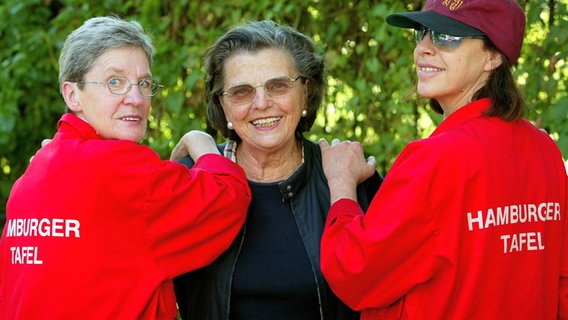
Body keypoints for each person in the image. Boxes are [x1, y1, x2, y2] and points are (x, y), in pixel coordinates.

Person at [318, 0, 568, 319]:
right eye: (422, 33)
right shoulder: (544, 150)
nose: (422, 48)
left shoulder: (435, 159)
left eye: (446, 36)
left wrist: (341, 184)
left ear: (493, 56)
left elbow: (353, 271)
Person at [0, 16, 251, 319]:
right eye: (114, 82)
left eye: (143, 83)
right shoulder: (120, 169)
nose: (136, 99)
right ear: (72, 95)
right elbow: (228, 201)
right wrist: (201, 144)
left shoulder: (33, 175)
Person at [171, 20, 383, 319]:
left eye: (278, 85)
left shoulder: (349, 179)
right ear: (223, 105)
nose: (262, 103)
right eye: (241, 92)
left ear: (306, 92)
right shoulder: (190, 182)